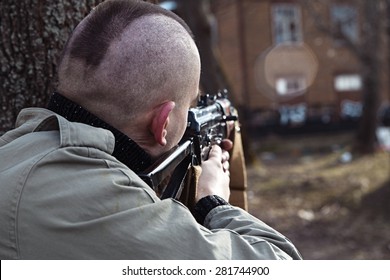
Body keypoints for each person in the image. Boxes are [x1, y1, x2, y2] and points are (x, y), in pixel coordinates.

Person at [0, 0, 301, 259]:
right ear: (164, 123)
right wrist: (213, 202)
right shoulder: (105, 206)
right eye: (189, 106)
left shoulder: (14, 151)